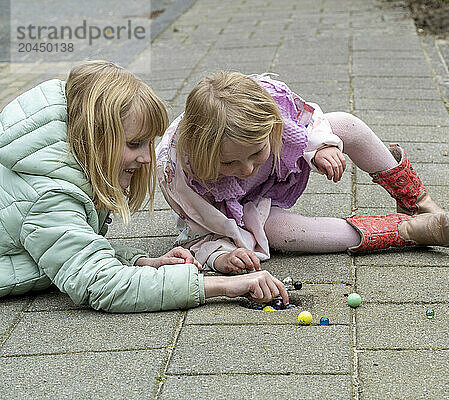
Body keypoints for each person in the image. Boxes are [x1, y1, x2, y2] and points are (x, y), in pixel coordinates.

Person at [0, 61, 288, 312]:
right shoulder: (49, 195)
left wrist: (143, 263)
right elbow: (102, 284)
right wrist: (224, 286)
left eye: (148, 143)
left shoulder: (58, 167)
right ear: (94, 136)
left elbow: (73, 249)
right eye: (135, 144)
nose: (148, 157)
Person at [157, 71, 449, 274]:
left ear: (273, 126)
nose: (247, 168)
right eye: (230, 164)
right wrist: (218, 256)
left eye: (254, 154)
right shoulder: (181, 176)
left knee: (344, 124)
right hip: (241, 209)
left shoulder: (271, 103)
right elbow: (197, 232)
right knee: (279, 233)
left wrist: (321, 145)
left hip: (277, 164)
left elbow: (308, 118)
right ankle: (402, 231)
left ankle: (415, 200)